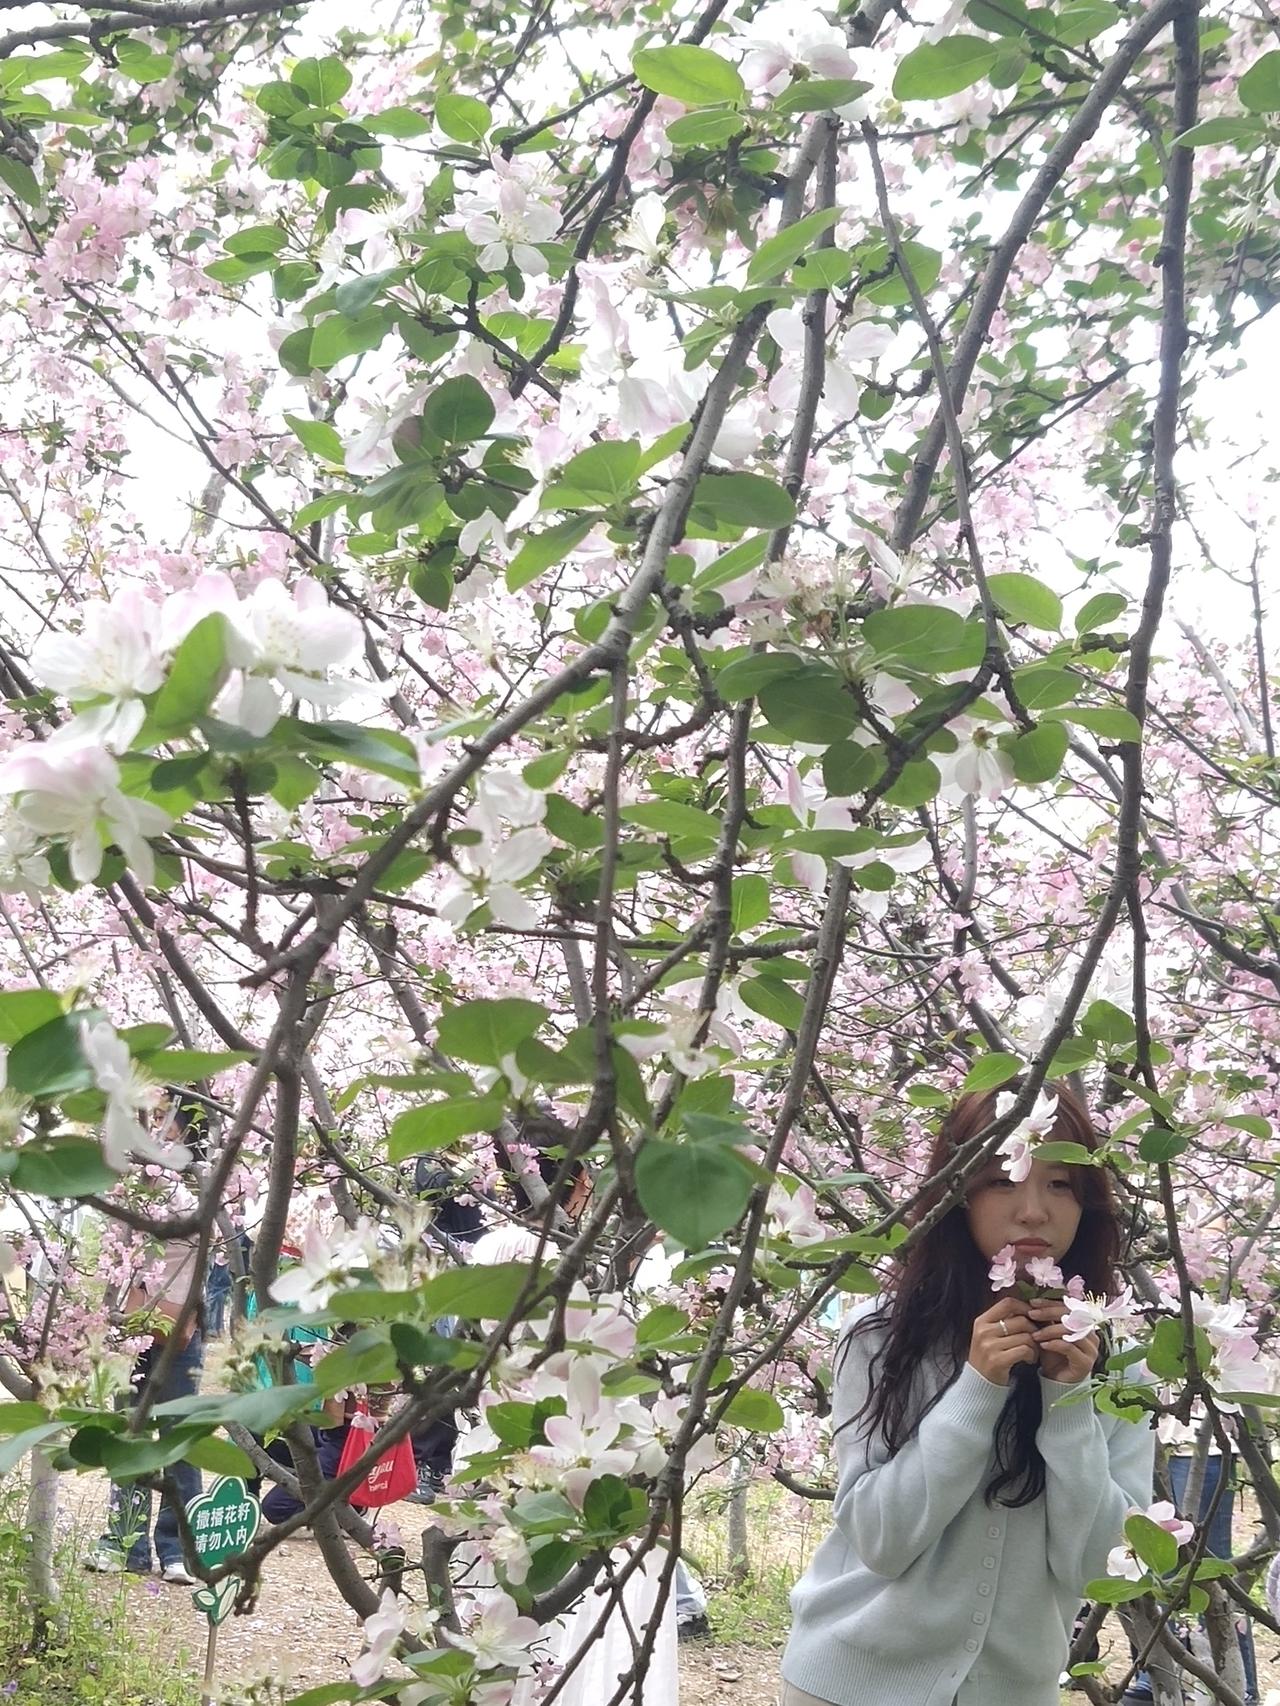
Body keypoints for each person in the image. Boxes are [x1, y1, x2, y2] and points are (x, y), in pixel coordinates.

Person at [779, 1081, 1154, 1706]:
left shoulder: (1118, 1368)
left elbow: (1099, 1568)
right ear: (957, 1194)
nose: (1033, 1210)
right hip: (850, 1683)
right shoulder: (884, 1337)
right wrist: (975, 1391)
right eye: (1003, 1179)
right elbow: (880, 1539)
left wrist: (1069, 1409)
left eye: (1060, 1184)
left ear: (1086, 1203)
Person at [85, 1099, 207, 1583]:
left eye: (163, 1119)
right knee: (128, 1430)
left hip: (180, 1324)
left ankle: (178, 1547)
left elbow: (205, 1245)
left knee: (178, 1435)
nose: (155, 1127)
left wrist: (190, 1316)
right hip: (131, 1322)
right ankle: (124, 1542)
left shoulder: (199, 1184)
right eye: (150, 1119)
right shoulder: (129, 1180)